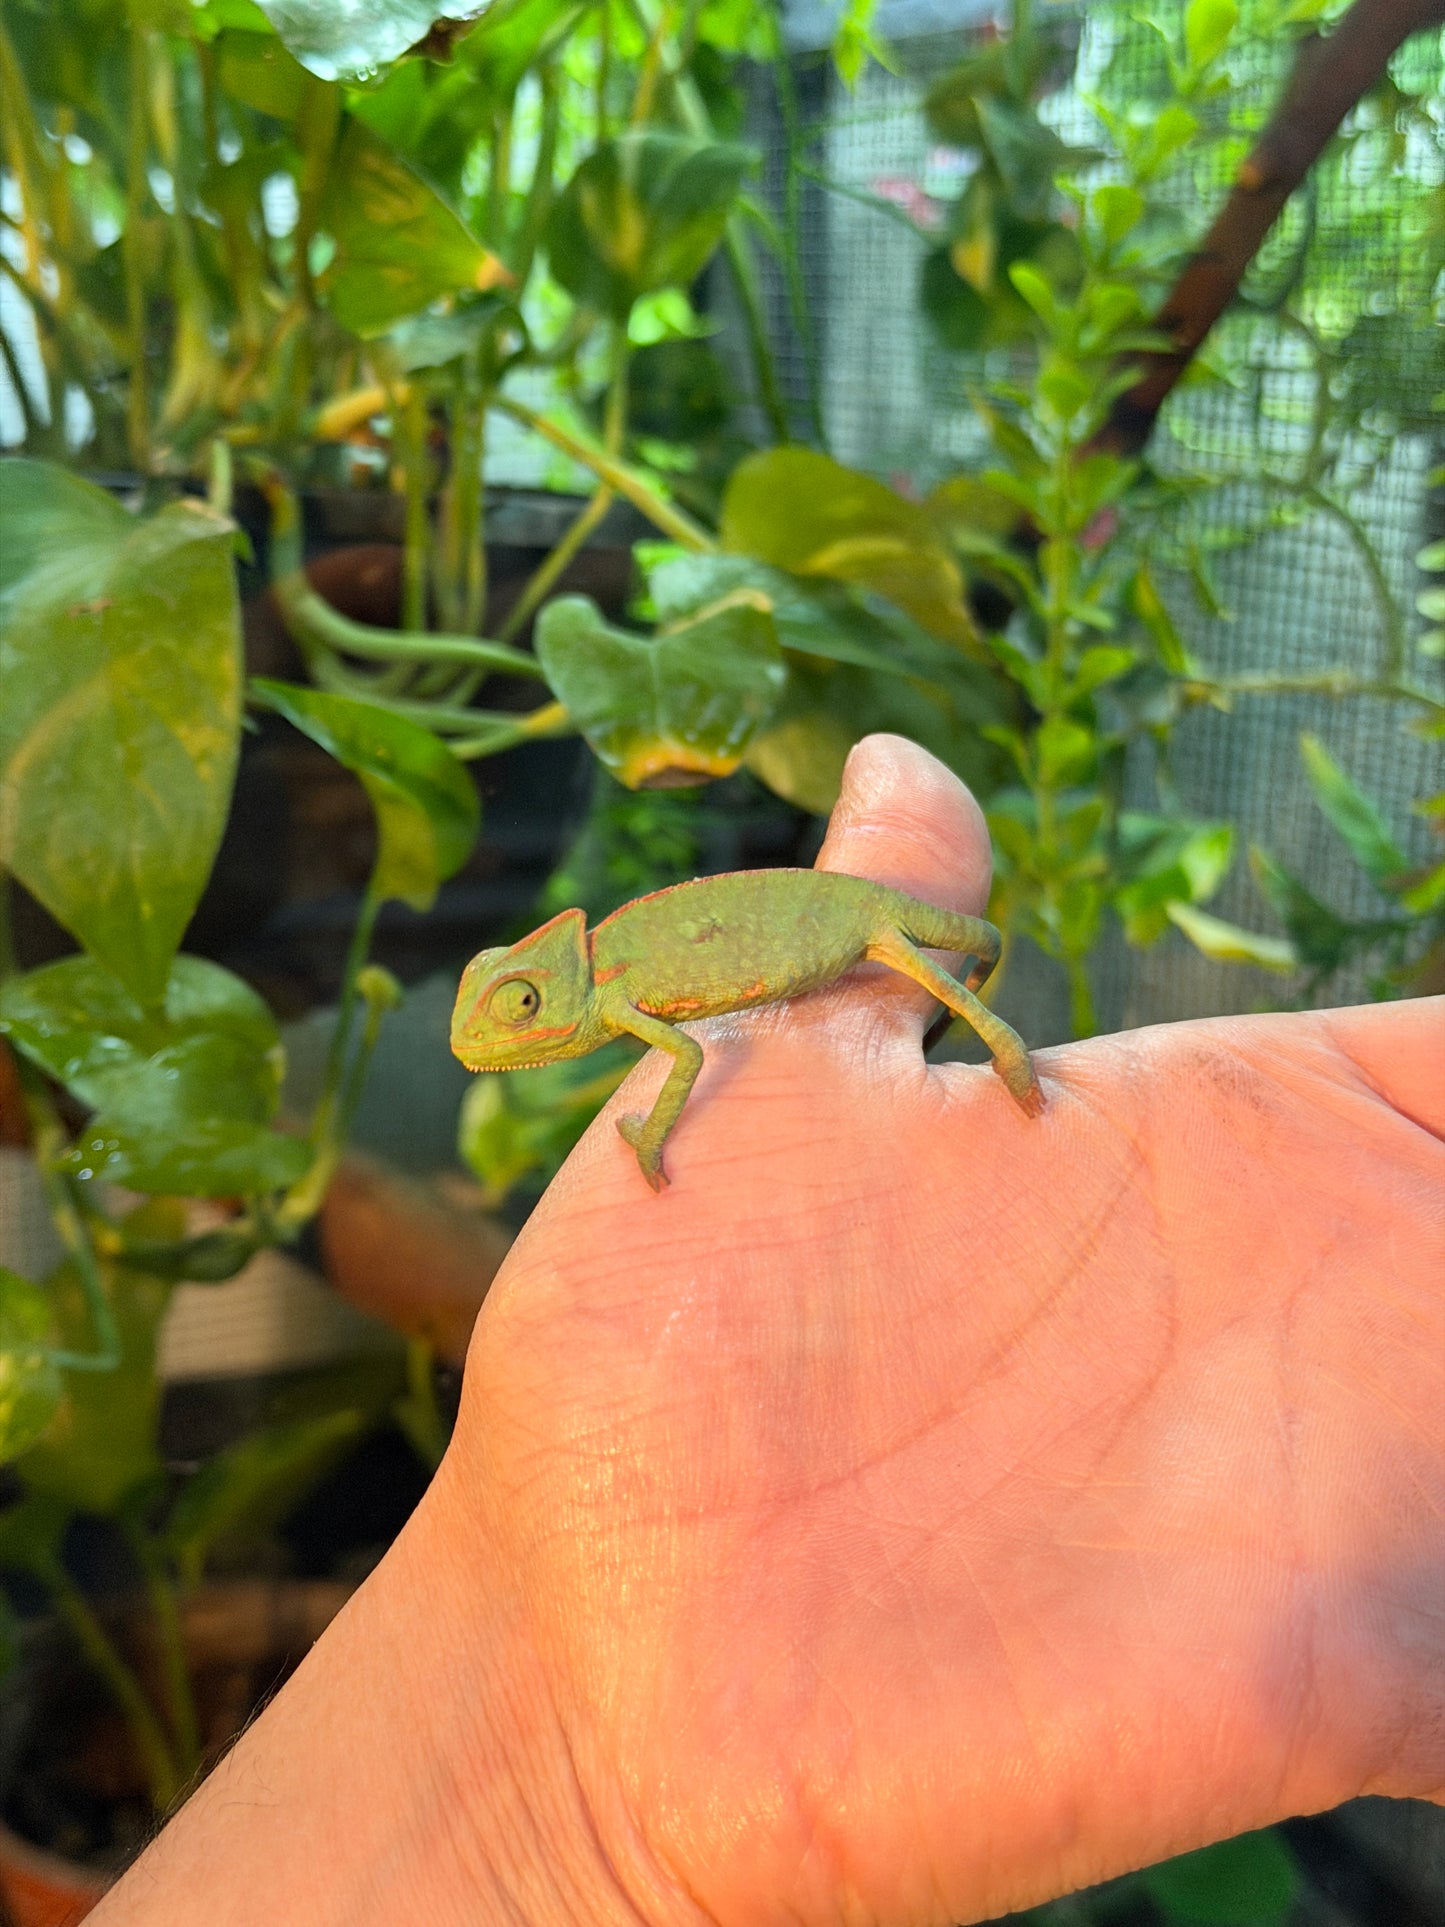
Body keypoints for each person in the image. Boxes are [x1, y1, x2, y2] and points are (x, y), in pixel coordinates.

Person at [92, 736, 1443, 1926]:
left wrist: (661, 1129)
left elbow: (683, 1061)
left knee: (918, 955)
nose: (511, 1033)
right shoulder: (612, 973)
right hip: (842, 929)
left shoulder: (621, 995)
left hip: (857, 925)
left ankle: (996, 1037)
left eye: (516, 1011)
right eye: (509, 1008)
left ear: (554, 988)